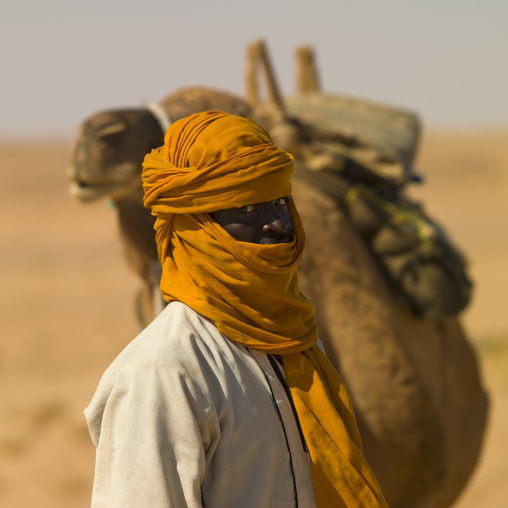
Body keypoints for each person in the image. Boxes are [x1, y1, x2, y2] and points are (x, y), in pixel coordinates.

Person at [85, 111, 388, 508]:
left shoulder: (296, 344)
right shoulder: (161, 372)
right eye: (246, 209)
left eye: (280, 202)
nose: (278, 224)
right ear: (195, 225)